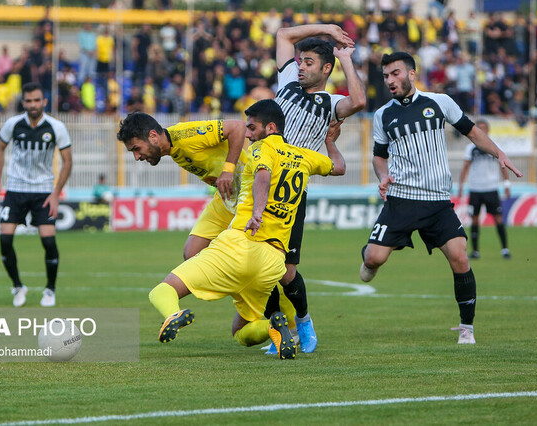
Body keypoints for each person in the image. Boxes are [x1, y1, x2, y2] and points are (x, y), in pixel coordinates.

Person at [144, 100, 346, 358]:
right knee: (240, 331)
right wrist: (330, 143)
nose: (248, 134)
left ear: (270, 128)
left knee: (162, 290)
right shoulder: (303, 156)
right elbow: (339, 167)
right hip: (273, 260)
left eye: (252, 128)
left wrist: (258, 212)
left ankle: (173, 313)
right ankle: (275, 326)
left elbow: (263, 175)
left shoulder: (261, 151)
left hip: (240, 245)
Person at [359, 52, 522, 345]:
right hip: (402, 199)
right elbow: (379, 157)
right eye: (385, 76)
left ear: (411, 74)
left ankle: (466, 328)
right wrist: (382, 176)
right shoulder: (383, 114)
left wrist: (500, 153)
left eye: (395, 73)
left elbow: (472, 132)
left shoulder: (440, 102)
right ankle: (371, 255)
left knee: (460, 257)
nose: (390, 81)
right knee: (372, 261)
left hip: (437, 201)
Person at [264, 24, 364, 354]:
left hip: (291, 194)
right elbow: (282, 35)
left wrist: (345, 59)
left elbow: (359, 100)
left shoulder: (330, 102)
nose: (301, 66)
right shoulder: (287, 82)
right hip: (260, 183)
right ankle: (279, 332)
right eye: (300, 60)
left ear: (325, 69)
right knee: (259, 265)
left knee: (286, 270)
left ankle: (304, 322)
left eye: (309, 62)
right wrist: (330, 29)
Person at [116, 112, 246, 262]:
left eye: (136, 148)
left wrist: (228, 171)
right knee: (192, 254)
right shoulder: (173, 149)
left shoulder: (186, 135)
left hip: (249, 194)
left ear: (153, 136)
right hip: (227, 198)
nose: (136, 157)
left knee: (249, 255)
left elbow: (238, 127)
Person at [0, 82, 73, 308]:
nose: (33, 104)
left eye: (37, 100)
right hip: (15, 188)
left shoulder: (56, 127)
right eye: (28, 101)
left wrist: (56, 193)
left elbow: (68, 162)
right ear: (23, 102)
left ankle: (50, 289)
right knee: (5, 239)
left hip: (43, 191)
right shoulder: (13, 124)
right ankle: (18, 286)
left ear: (44, 102)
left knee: (48, 241)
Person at [458, 119, 511, 260]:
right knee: (474, 220)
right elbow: (465, 167)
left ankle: (505, 249)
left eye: (484, 128)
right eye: (479, 128)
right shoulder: (470, 148)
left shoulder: (495, 146)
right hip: (475, 188)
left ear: (488, 130)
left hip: (491, 188)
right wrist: (461, 186)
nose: (482, 130)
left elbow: (503, 165)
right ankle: (475, 251)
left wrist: (506, 184)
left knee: (498, 219)